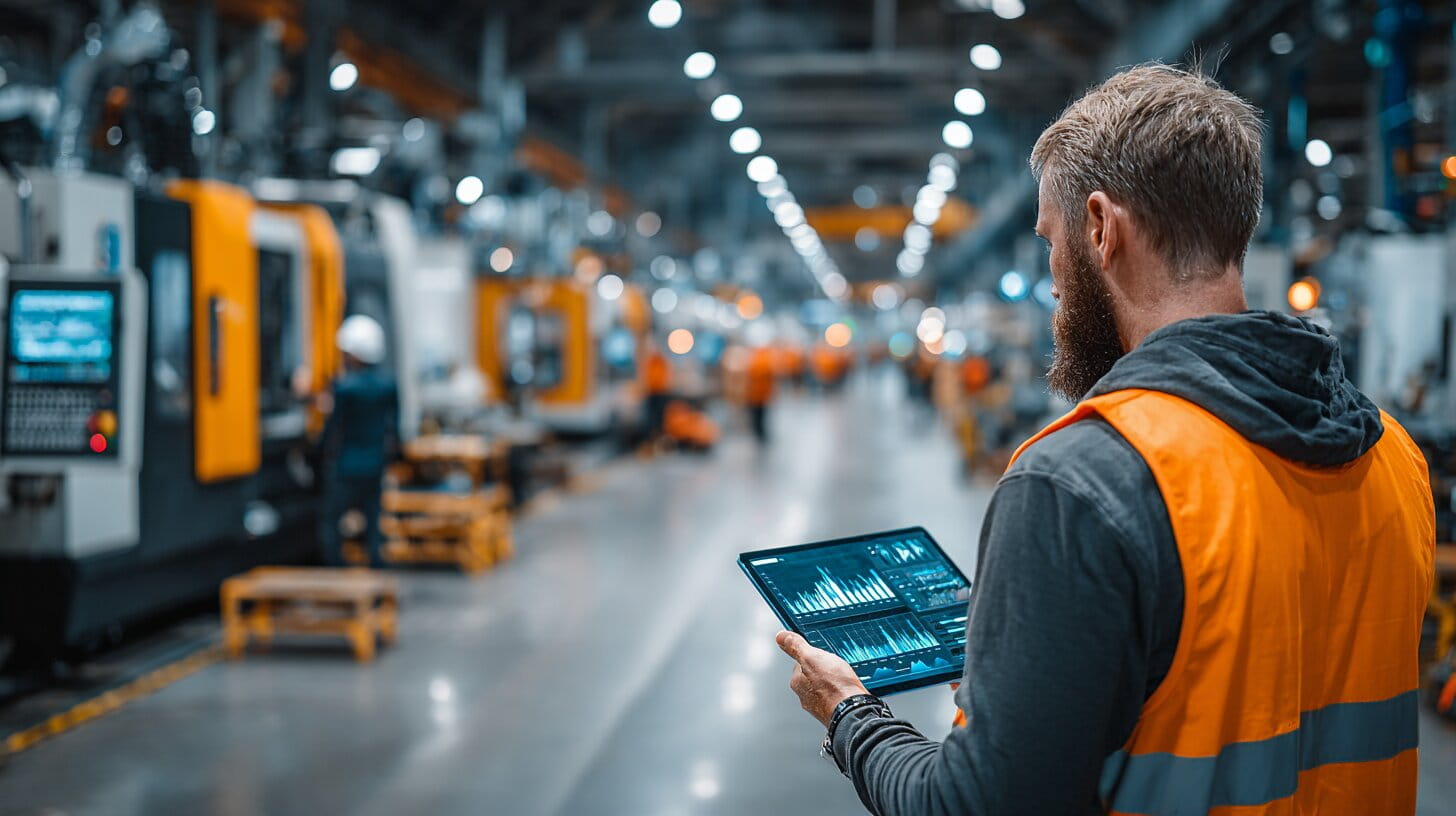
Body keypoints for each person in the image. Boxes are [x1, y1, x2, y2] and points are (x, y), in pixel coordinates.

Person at [775, 65, 1435, 815]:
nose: (1055, 280)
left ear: (1100, 227)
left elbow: (971, 807)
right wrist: (1039, 683)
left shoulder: (1085, 479)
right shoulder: (1391, 453)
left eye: (1051, 242)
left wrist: (850, 715)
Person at [318, 315, 399, 568]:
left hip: (347, 465)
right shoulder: (388, 386)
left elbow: (332, 429)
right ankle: (377, 566)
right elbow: (394, 429)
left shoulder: (345, 389)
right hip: (375, 464)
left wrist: (317, 453)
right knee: (373, 519)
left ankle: (336, 568)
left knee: (331, 521)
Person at [744, 344, 777, 444]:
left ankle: (759, 433)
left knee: (757, 416)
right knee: (761, 415)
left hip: (755, 394)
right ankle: (761, 433)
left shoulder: (753, 361)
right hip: (762, 394)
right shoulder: (766, 361)